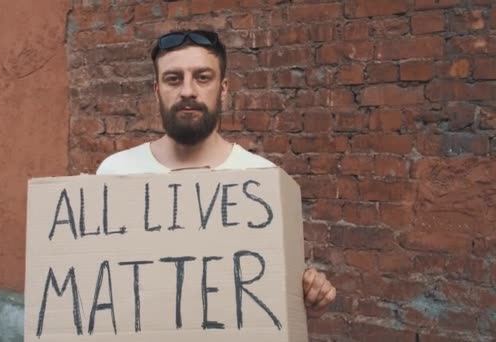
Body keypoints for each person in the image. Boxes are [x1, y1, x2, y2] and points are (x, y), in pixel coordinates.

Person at [96, 30, 336, 318]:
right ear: (157, 90)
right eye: (173, 79)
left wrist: (308, 295)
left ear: (223, 88)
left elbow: (272, 295)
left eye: (202, 77)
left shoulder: (262, 180)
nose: (187, 90)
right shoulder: (114, 173)